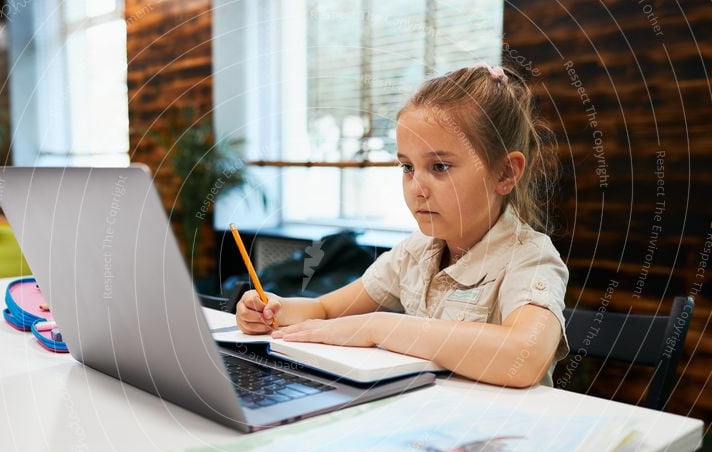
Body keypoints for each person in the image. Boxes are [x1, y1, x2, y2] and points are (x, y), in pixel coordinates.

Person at [235, 64, 569, 387]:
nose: (416, 187)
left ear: (506, 173)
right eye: (407, 167)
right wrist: (273, 310)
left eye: (439, 166)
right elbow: (325, 309)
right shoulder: (415, 252)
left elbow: (525, 356)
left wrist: (379, 327)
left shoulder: (529, 257)